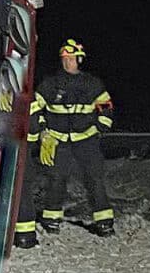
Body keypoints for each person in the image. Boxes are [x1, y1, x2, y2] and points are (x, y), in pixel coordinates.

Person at [31, 38, 115, 237]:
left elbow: (106, 108)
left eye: (71, 59)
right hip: (58, 141)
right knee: (56, 179)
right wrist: (43, 132)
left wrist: (100, 129)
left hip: (86, 140)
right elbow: (34, 107)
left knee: (94, 179)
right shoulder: (50, 84)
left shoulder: (92, 84)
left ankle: (104, 222)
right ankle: (51, 219)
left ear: (79, 60)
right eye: (64, 59)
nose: (67, 62)